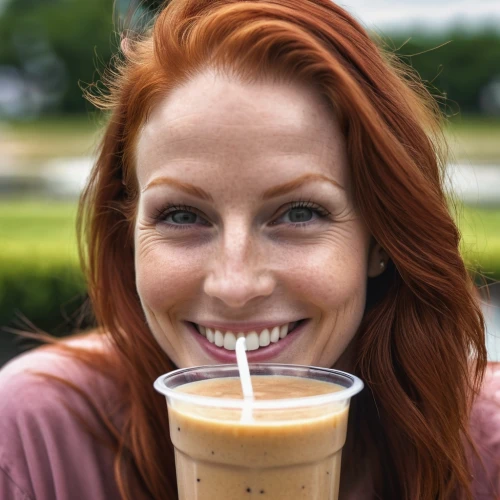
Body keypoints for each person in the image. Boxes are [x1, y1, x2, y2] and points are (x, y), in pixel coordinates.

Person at [0, 0, 498, 498]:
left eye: (300, 213)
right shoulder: (35, 441)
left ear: (380, 237)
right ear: (126, 229)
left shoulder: (485, 452)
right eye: (182, 216)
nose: (235, 286)